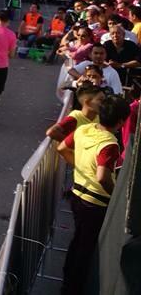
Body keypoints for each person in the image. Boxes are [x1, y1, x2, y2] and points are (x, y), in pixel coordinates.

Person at [57, 95, 129, 295]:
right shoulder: (110, 144)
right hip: (95, 203)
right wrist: (116, 197)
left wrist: (80, 167)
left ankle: (67, 281)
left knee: (78, 241)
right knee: (85, 249)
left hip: (77, 196)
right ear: (122, 121)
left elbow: (62, 148)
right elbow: (102, 176)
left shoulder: (83, 129)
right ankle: (72, 288)